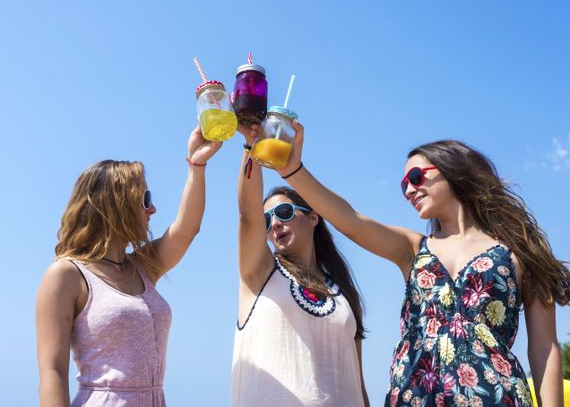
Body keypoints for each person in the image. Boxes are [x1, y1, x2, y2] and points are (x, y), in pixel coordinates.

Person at [276, 121, 570, 407]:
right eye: (404, 184)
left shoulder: (520, 252)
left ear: (453, 170)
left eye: (415, 177)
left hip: (497, 397)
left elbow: (545, 349)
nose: (408, 190)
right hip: (413, 397)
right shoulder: (414, 249)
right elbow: (350, 221)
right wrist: (292, 170)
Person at [36, 127, 221, 407]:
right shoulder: (66, 275)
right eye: (146, 199)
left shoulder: (143, 267)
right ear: (116, 204)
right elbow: (53, 372)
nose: (153, 209)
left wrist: (197, 164)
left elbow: (186, 229)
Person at [231, 125, 369, 407]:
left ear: (313, 217)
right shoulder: (260, 275)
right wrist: (251, 146)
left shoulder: (343, 293)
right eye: (267, 220)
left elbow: (359, 382)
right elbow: (248, 217)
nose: (275, 224)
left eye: (284, 213)